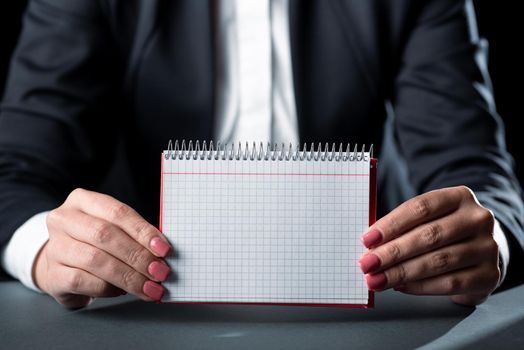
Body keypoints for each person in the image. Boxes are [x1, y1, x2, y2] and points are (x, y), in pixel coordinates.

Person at [0, 0, 523, 309]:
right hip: (154, 306)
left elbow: (475, 167)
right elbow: (14, 169)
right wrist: (44, 250)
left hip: (370, 305)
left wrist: (490, 236)